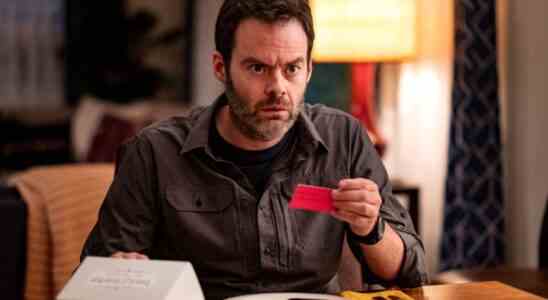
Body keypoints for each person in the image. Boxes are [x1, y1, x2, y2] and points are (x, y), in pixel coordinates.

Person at [81, 0, 428, 299]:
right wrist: (121, 275)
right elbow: (98, 278)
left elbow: (411, 272)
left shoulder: (345, 137)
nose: (278, 88)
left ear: (308, 70)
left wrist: (371, 230)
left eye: (291, 68)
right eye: (258, 68)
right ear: (221, 67)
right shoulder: (153, 153)